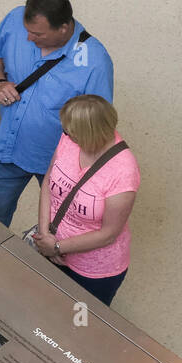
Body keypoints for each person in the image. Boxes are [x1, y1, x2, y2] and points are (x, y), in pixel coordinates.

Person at [0, 0, 113, 227]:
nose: (29, 38)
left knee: (58, 227)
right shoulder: (15, 20)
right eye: (28, 31)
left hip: (60, 167)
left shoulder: (95, 62)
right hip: (9, 148)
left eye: (38, 34)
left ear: (63, 28)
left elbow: (99, 126)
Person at [31, 95, 140, 306]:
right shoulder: (70, 138)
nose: (66, 135)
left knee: (78, 324)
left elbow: (108, 234)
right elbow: (48, 182)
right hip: (50, 244)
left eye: (70, 132)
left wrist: (57, 247)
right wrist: (45, 235)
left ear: (89, 133)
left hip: (92, 272)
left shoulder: (123, 172)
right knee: (44, 307)